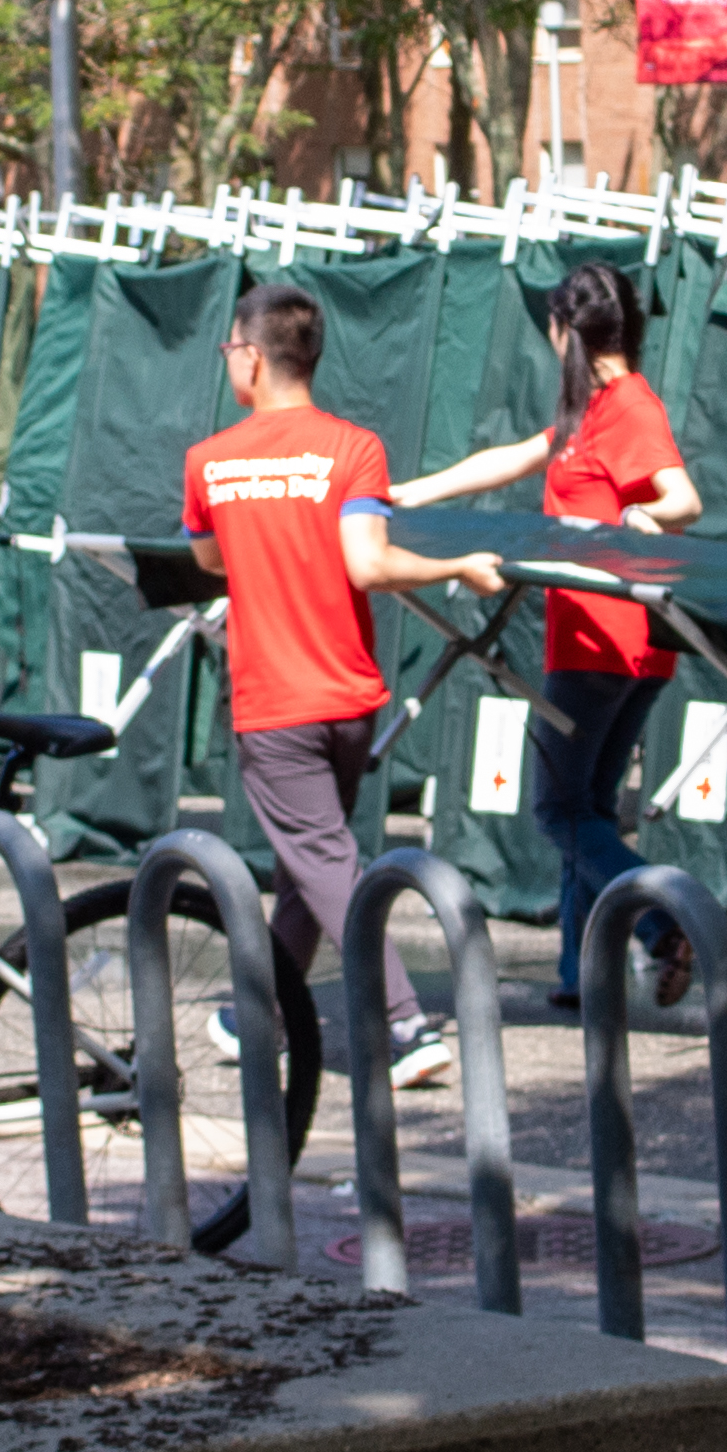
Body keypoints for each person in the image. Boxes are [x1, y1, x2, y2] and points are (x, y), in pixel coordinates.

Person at [184, 279, 506, 1091]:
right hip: (351, 700)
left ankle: (405, 1026)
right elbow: (368, 564)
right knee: (309, 868)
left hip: (273, 702)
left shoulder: (208, 462)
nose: (230, 362)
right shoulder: (353, 447)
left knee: (323, 859)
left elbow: (208, 561)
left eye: (230, 349)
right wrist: (456, 565)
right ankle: (251, 1014)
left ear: (252, 360)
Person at [391, 261, 703, 1011]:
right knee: (584, 812)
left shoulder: (629, 405)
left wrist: (648, 521)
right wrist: (410, 491)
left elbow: (684, 497)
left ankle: (667, 927)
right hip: (613, 644)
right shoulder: (588, 412)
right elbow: (514, 458)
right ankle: (580, 974)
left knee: (558, 813)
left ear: (568, 329)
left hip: (605, 643)